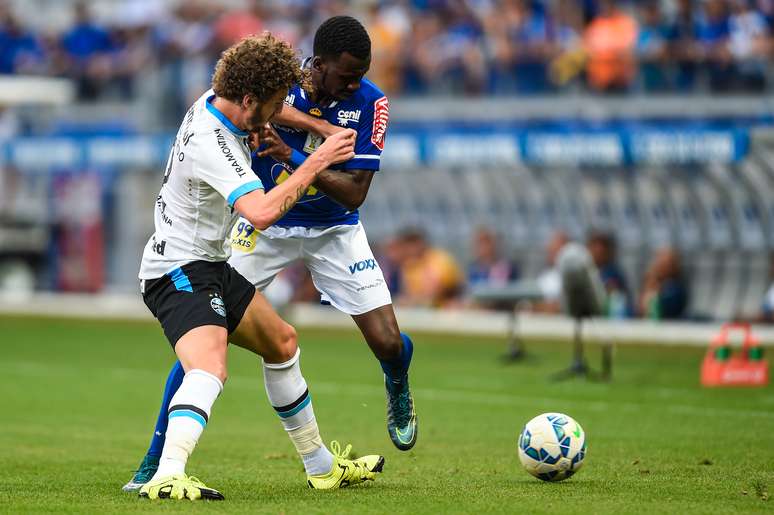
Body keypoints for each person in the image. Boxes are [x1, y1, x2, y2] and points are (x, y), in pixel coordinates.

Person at [124, 17, 417, 493]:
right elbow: (259, 212)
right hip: (181, 266)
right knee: (209, 364)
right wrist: (315, 158)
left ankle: (321, 468)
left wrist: (308, 129)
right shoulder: (213, 142)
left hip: (220, 260)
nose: (283, 111)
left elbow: (347, 185)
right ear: (248, 101)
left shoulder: (216, 102)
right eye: (275, 104)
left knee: (282, 344)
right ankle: (164, 472)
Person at [638, 247, 688, 320]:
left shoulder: (675, 288)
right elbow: (641, 309)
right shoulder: (651, 281)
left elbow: (658, 308)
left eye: (665, 262)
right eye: (659, 260)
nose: (659, 264)